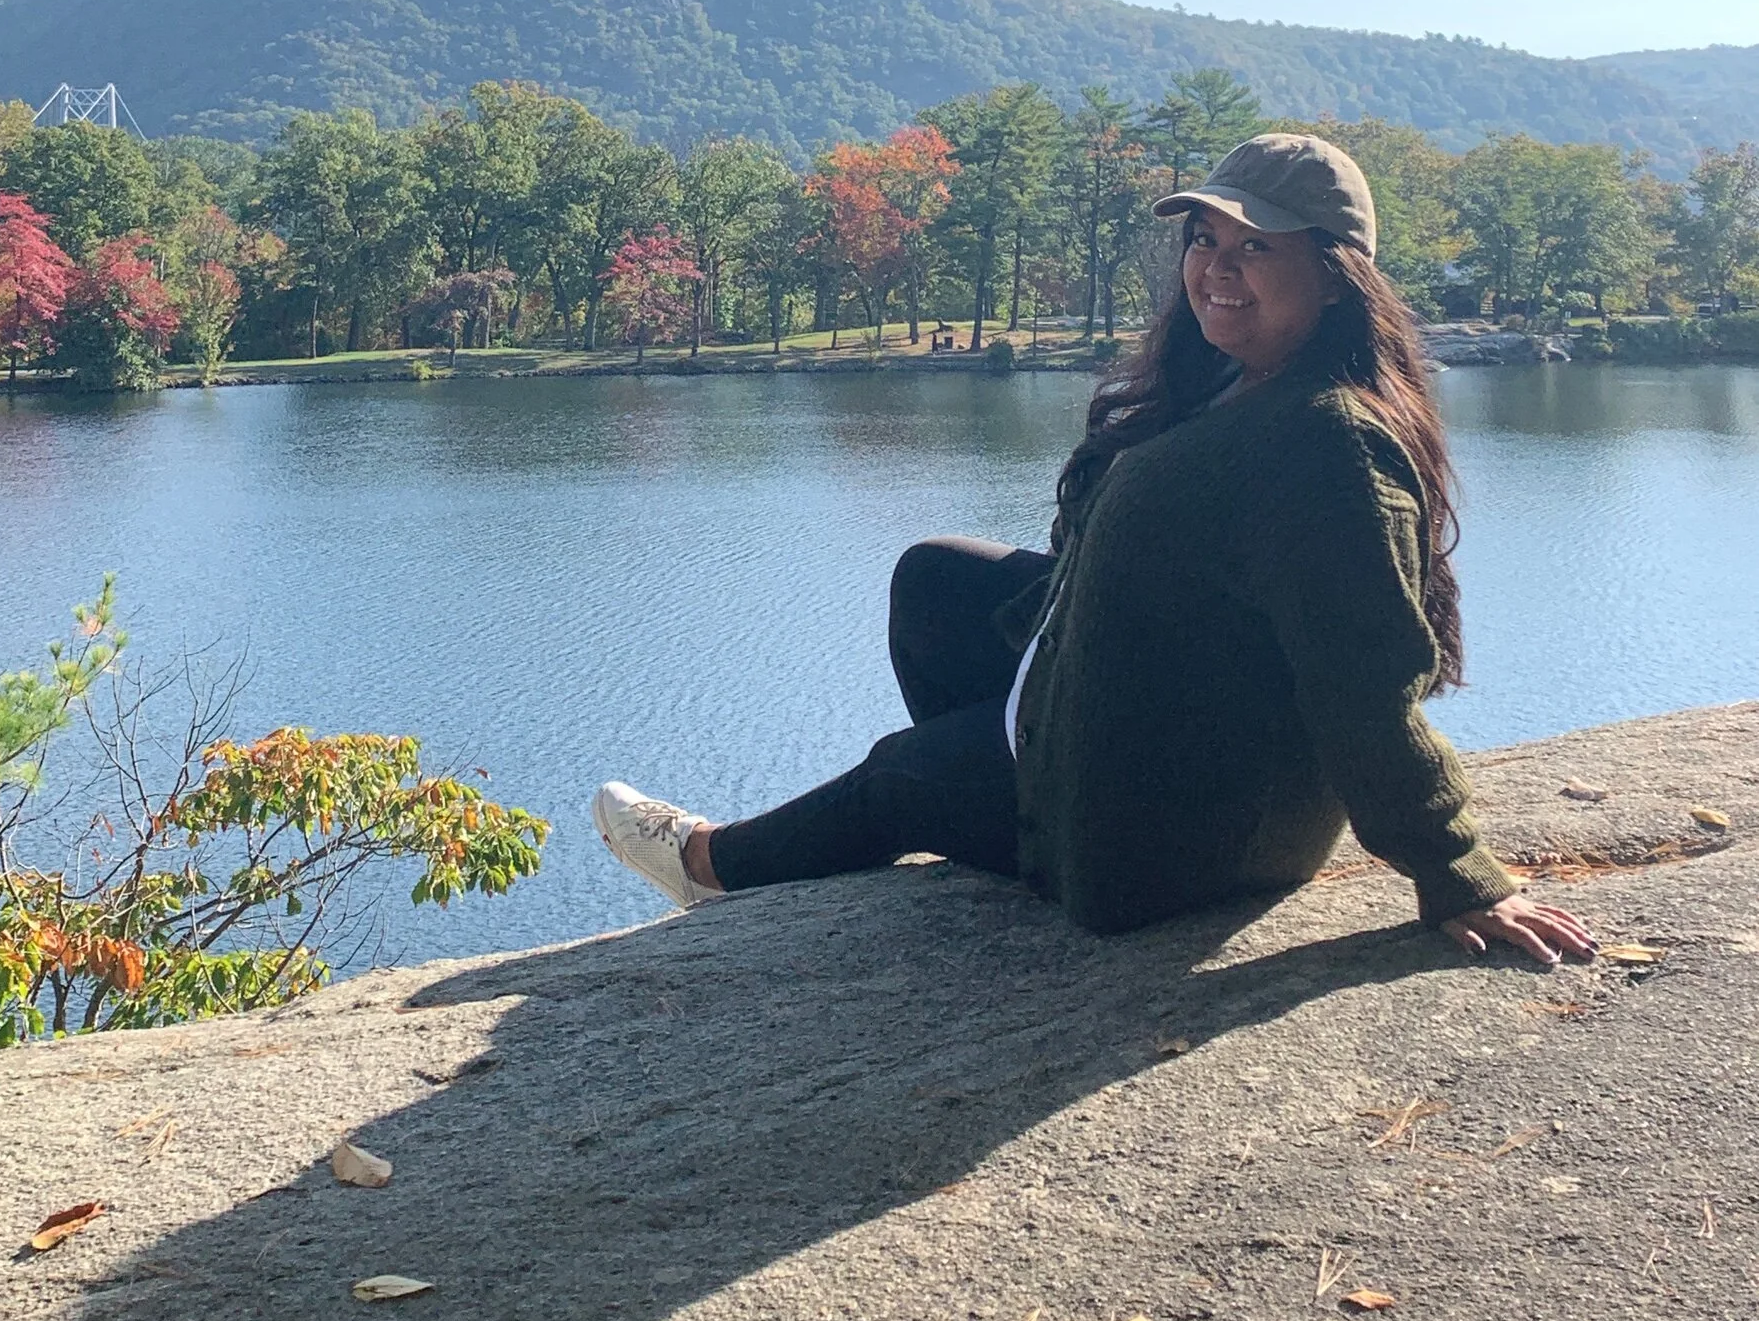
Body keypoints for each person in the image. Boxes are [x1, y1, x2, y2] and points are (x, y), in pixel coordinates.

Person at [593, 133, 1595, 969]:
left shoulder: (1326, 443)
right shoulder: (1228, 381)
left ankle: (711, 866)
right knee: (934, 577)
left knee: (903, 776)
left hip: (1174, 831)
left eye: (1257, 248)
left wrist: (1457, 870)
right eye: (1207, 239)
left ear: (1334, 279)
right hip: (1150, 721)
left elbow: (1364, 680)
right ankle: (1012, 794)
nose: (1217, 267)